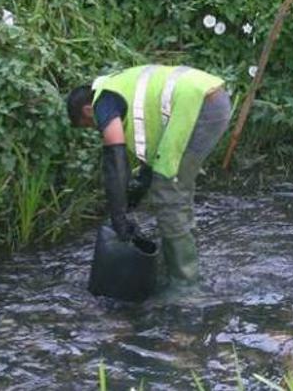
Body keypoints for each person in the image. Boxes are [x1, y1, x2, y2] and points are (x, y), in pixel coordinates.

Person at [66, 65, 230, 291]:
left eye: (89, 126)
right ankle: (180, 269)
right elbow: (152, 153)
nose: (96, 129)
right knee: (175, 190)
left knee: (169, 192)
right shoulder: (118, 88)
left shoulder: (103, 102)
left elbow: (115, 160)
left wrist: (118, 216)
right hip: (210, 100)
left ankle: (185, 287)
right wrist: (137, 191)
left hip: (199, 106)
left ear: (87, 111)